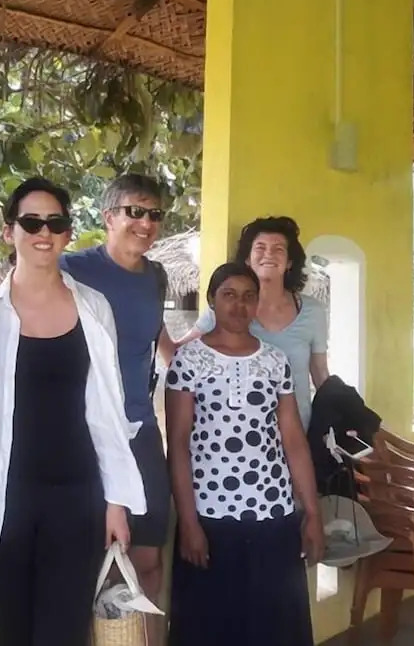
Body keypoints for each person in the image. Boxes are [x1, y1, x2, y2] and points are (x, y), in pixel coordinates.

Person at [0, 173, 174, 639]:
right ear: (9, 231)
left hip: (78, 499)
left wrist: (116, 502)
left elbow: (107, 411)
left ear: (69, 233)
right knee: (9, 633)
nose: (44, 232)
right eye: (31, 222)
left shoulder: (92, 307)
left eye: (55, 223)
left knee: (65, 633)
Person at [166, 262, 323, 646]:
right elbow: (179, 445)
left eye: (248, 296)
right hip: (210, 516)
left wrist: (312, 514)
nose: (239, 305)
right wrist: (189, 523)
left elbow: (293, 440)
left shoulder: (274, 361)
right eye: (229, 295)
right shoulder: (189, 361)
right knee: (211, 627)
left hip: (274, 514)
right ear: (212, 301)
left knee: (275, 627)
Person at [177, 216, 329, 427]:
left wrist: (336, 419)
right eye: (260, 247)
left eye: (278, 249)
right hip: (237, 433)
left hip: (298, 432)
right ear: (247, 259)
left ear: (290, 262)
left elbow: (320, 373)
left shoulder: (313, 311)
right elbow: (179, 355)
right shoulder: (226, 310)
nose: (269, 254)